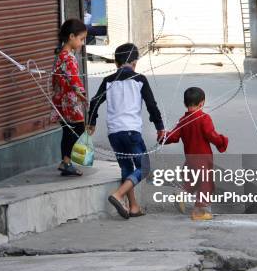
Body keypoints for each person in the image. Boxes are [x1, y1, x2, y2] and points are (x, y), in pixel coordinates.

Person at [87, 43, 165, 219]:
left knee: (126, 167)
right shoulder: (139, 79)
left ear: (116, 62)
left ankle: (134, 207)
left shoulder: (108, 81)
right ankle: (118, 195)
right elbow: (151, 105)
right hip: (131, 132)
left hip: (114, 133)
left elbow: (94, 101)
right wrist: (159, 127)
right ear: (135, 62)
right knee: (144, 167)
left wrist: (91, 122)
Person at [159, 87, 228, 221]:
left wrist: (163, 136)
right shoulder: (204, 118)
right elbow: (211, 135)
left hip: (190, 159)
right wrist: (222, 141)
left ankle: (182, 195)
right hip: (203, 159)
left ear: (185, 103)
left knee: (192, 181)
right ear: (202, 103)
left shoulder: (183, 120)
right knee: (205, 184)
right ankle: (199, 212)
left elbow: (173, 136)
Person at [51, 19, 89, 176]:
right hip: (70, 101)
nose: (82, 43)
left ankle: (66, 162)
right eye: (81, 39)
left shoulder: (61, 55)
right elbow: (74, 79)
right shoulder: (68, 57)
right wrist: (82, 93)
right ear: (72, 36)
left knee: (68, 130)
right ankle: (66, 161)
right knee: (77, 129)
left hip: (61, 99)